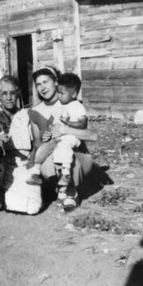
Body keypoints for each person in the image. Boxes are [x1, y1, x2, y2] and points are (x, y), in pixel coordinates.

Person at [28, 67, 97, 211]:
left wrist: (64, 130)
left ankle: (71, 193)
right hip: (50, 150)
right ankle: (60, 189)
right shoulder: (35, 111)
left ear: (55, 82)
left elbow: (92, 135)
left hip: (75, 152)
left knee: (68, 156)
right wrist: (49, 138)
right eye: (38, 84)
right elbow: (37, 142)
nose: (42, 87)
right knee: (52, 158)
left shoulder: (71, 103)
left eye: (45, 82)